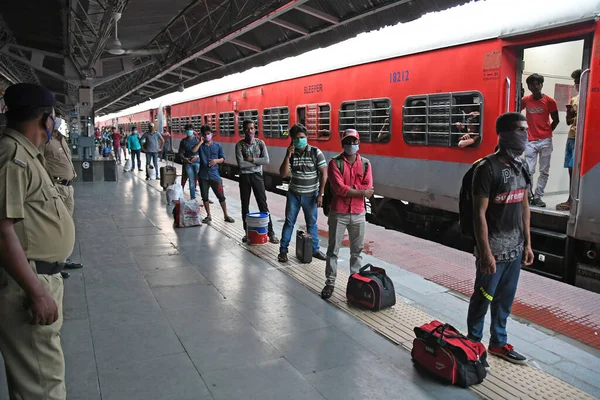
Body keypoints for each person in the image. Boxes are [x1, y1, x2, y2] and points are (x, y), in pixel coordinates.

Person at [0, 83, 76, 400]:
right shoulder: (12, 155)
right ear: (45, 119)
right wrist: (36, 291)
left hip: (37, 276)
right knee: (42, 388)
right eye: (53, 118)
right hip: (27, 284)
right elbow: (2, 230)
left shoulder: (26, 154)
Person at [467, 112, 535, 365]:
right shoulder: (487, 169)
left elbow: (525, 207)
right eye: (520, 130)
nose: (525, 135)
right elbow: (479, 214)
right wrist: (485, 253)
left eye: (526, 130)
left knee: (504, 301)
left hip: (515, 251)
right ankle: (473, 344)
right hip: (493, 252)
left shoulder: (522, 167)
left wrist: (527, 243)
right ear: (505, 134)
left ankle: (497, 342)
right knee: (482, 299)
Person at [321, 129, 374, 300]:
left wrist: (351, 190)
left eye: (354, 141)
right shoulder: (334, 163)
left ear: (359, 143)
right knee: (332, 250)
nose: (351, 145)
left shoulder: (366, 164)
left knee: (357, 251)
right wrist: (361, 191)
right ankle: (330, 283)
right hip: (338, 212)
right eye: (348, 141)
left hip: (358, 213)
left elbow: (369, 188)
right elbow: (339, 189)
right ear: (342, 143)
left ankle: (355, 283)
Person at [277, 123, 327, 263]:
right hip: (294, 194)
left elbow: (324, 174)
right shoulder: (291, 155)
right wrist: (287, 156)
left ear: (307, 137)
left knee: (312, 223)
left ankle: (315, 249)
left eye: (302, 137)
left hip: (311, 195)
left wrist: (320, 194)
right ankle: (283, 251)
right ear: (292, 140)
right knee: (289, 222)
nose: (299, 140)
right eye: (296, 138)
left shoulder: (316, 152)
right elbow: (283, 174)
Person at [42, 116, 83, 277]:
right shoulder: (45, 142)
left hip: (68, 187)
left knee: (66, 225)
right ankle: (53, 264)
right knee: (55, 224)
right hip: (56, 187)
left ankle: (63, 259)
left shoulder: (61, 140)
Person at [235, 120, 279, 243]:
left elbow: (266, 160)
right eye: (248, 129)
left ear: (255, 130)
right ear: (243, 130)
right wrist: (256, 161)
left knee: (263, 204)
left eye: (252, 128)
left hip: (257, 176)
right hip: (244, 177)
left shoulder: (260, 143)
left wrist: (250, 159)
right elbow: (241, 164)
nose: (250, 131)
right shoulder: (239, 145)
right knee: (245, 204)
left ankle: (271, 233)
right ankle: (247, 232)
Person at [521, 73, 559, 207]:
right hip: (530, 140)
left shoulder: (549, 101)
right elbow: (514, 112)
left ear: (541, 85)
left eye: (538, 84)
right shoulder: (525, 100)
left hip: (545, 141)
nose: (535, 87)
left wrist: (547, 132)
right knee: (529, 170)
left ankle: (538, 196)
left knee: (544, 170)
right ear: (529, 86)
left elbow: (556, 120)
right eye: (532, 85)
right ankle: (530, 195)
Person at [198, 125, 234, 223]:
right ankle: (208, 215)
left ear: (212, 134)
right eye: (204, 134)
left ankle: (226, 215)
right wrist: (200, 142)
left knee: (221, 196)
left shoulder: (218, 146)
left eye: (208, 134)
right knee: (205, 196)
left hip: (215, 175)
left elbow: (223, 158)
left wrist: (216, 161)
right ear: (202, 135)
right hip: (203, 175)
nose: (207, 136)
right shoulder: (200, 147)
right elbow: (193, 151)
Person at [557, 69, 582, 211]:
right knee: (571, 169)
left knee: (578, 169)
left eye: (578, 82)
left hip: (583, 137)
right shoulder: (575, 99)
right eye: (575, 83)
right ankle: (571, 199)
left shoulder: (593, 96)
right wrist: (569, 113)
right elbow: (568, 122)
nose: (576, 85)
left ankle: (576, 199)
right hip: (572, 136)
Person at [179, 124, 202, 200]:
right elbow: (180, 153)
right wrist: (185, 159)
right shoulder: (183, 141)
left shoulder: (198, 140)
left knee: (199, 179)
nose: (189, 131)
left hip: (198, 162)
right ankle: (193, 198)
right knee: (191, 180)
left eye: (191, 129)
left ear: (193, 130)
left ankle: (204, 197)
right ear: (185, 131)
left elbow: (202, 151)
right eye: (188, 129)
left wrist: (197, 157)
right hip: (188, 163)